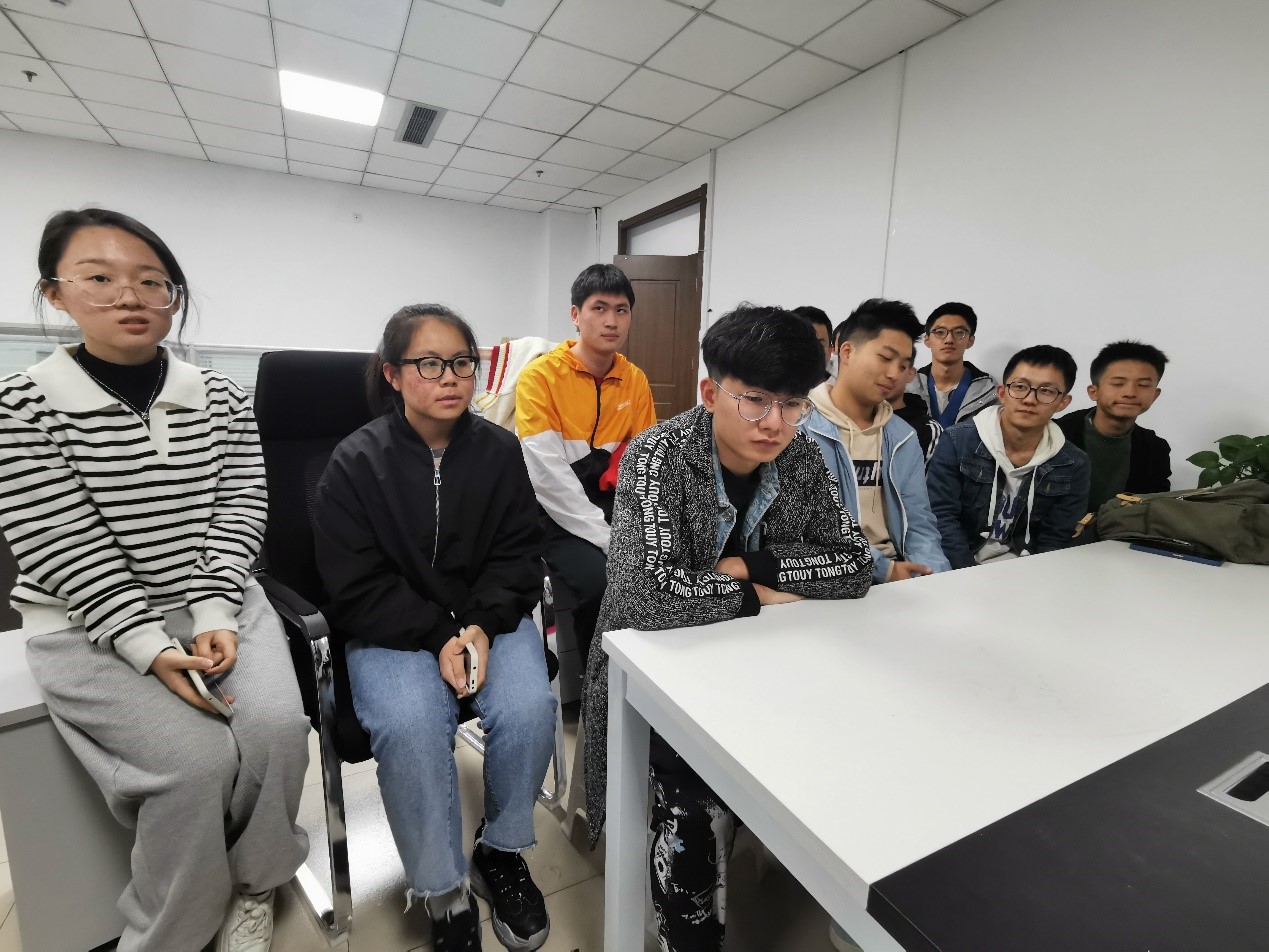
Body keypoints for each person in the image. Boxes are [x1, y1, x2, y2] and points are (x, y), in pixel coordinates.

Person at [0, 208, 309, 952]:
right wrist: (147, 643)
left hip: (219, 600)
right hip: (89, 618)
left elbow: (241, 505)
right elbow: (59, 539)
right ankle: (174, 929)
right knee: (190, 765)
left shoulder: (222, 396)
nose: (129, 297)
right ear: (55, 294)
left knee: (277, 731)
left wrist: (216, 609)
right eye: (98, 278)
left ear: (173, 297)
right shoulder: (21, 405)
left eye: (151, 281)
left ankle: (257, 883)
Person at [580, 304, 874, 952]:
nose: (774, 423)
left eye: (792, 404)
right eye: (755, 400)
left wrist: (747, 567)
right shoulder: (658, 456)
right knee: (694, 803)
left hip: (774, 670)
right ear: (711, 393)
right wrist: (763, 594)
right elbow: (647, 596)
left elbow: (855, 563)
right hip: (665, 681)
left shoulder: (801, 456)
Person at [313, 305, 557, 952]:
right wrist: (436, 634)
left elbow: (518, 554)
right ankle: (443, 889)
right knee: (412, 724)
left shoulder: (499, 450)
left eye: (461, 363)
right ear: (392, 374)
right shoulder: (355, 462)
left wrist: (479, 626)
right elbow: (353, 580)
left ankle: (500, 850)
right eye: (428, 364)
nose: (449, 377)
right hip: (390, 625)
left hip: (486, 617)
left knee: (530, 708)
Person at [515, 264, 655, 669]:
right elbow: (547, 476)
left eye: (622, 310)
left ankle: (647, 677)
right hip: (553, 509)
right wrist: (608, 538)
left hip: (612, 502)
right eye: (599, 308)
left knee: (660, 571)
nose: (611, 321)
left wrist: (637, 528)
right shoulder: (541, 377)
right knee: (602, 582)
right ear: (575, 314)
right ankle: (598, 686)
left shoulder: (634, 380)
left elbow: (645, 461)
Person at [804, 298, 950, 583]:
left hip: (898, 572)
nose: (894, 374)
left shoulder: (902, 437)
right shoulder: (800, 427)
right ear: (847, 352)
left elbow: (919, 523)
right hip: (830, 573)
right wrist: (883, 570)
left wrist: (936, 578)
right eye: (885, 358)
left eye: (904, 365)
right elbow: (810, 527)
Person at [927, 345, 1091, 568]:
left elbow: (1055, 538)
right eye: (1020, 387)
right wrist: (966, 575)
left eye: (1046, 391)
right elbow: (942, 517)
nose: (1030, 399)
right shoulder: (958, 441)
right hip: (960, 563)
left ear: (1063, 402)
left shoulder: (1073, 463)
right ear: (1002, 393)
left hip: (1028, 568)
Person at [1056, 340, 1171, 513]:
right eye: (1118, 384)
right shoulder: (1054, 435)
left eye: (1143, 385)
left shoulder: (1155, 448)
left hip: (1122, 530)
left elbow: (1152, 510)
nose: (1130, 393)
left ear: (1154, 395)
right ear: (1093, 392)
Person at [906, 302, 998, 426]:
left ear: (970, 340)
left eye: (959, 332)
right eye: (940, 332)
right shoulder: (906, 386)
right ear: (927, 340)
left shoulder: (989, 391)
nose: (949, 339)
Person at [884, 350, 942, 465]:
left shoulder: (928, 430)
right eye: (881, 366)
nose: (889, 375)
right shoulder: (852, 419)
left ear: (911, 374)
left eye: (900, 367)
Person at [793, 304, 835, 381]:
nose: (811, 351)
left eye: (820, 344)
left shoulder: (841, 386)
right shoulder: (771, 385)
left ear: (830, 350)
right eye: (804, 342)